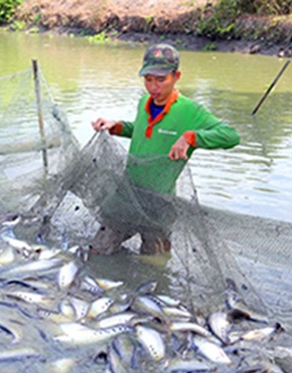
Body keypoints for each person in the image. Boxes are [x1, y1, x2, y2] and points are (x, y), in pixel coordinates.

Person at [90, 43, 240, 255]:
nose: (153, 87)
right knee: (97, 251)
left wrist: (191, 137)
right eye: (148, 79)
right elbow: (142, 130)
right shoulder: (144, 102)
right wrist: (117, 126)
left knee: (154, 264)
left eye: (161, 80)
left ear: (176, 76)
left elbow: (231, 136)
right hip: (127, 197)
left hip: (159, 206)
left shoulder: (191, 111)